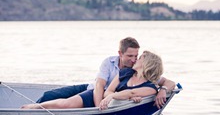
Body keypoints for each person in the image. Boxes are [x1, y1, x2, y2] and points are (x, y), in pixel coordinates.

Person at [37, 36, 175, 108]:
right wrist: (99, 108)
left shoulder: (141, 74)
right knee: (48, 95)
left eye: (136, 56)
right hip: (93, 90)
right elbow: (99, 86)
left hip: (109, 99)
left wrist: (162, 90)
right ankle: (31, 110)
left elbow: (167, 82)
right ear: (120, 54)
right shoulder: (110, 63)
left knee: (66, 104)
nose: (134, 60)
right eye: (130, 56)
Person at [21, 51, 164, 110]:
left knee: (66, 104)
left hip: (110, 104)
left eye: (139, 58)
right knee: (66, 104)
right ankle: (33, 108)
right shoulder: (125, 72)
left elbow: (131, 93)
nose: (135, 60)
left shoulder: (150, 88)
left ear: (147, 65)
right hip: (98, 97)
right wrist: (112, 96)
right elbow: (108, 90)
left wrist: (114, 96)